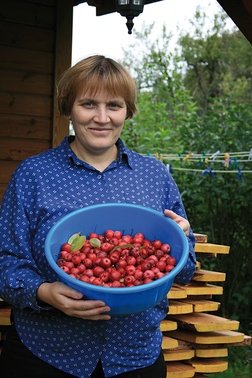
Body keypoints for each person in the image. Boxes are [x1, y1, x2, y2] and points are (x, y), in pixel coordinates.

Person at [0, 55, 196, 378]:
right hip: (47, 355)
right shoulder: (34, 175)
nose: (102, 118)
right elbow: (6, 263)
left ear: (128, 111)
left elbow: (184, 268)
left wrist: (182, 240)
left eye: (114, 105)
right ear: (69, 108)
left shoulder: (154, 176)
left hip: (135, 358)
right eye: (88, 104)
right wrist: (44, 293)